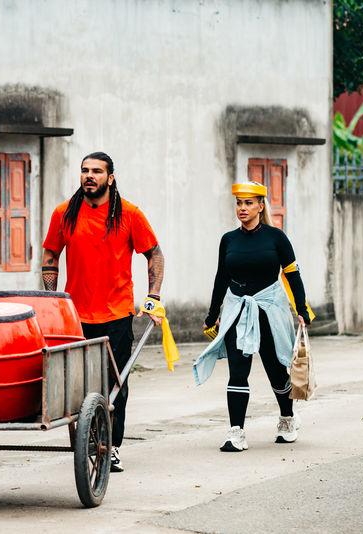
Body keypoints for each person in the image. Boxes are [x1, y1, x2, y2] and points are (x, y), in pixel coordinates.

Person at [41, 151, 165, 472]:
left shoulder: (129, 214)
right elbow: (51, 255)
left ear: (110, 178)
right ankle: (89, 440)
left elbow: (154, 254)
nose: (89, 176)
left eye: (97, 171)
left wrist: (153, 295)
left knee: (115, 384)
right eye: (85, 170)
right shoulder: (64, 213)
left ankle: (112, 446)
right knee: (80, 385)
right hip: (76, 317)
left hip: (117, 315)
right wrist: (52, 300)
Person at [193, 182, 313, 451]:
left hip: (269, 310)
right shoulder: (229, 240)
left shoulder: (276, 238)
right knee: (238, 371)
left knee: (275, 369)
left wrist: (302, 310)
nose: (242, 208)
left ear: (260, 206)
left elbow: (293, 275)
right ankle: (236, 432)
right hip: (237, 310)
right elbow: (221, 278)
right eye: (239, 203)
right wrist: (212, 315)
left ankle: (287, 418)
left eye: (248, 203)